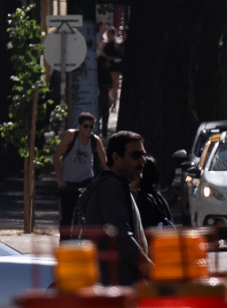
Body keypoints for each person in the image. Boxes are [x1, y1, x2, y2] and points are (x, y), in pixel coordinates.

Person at [76, 127, 153, 283]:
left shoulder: (119, 186)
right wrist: (154, 271)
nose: (143, 161)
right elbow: (122, 237)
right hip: (113, 287)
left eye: (143, 155)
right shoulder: (112, 186)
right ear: (116, 158)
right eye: (136, 155)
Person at [53, 113, 106, 237]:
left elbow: (105, 163)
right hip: (68, 182)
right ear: (79, 125)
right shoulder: (70, 136)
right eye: (85, 126)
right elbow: (56, 157)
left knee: (90, 214)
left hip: (86, 180)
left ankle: (87, 240)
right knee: (66, 217)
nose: (88, 130)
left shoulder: (95, 140)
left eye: (91, 127)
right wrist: (59, 180)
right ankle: (65, 244)